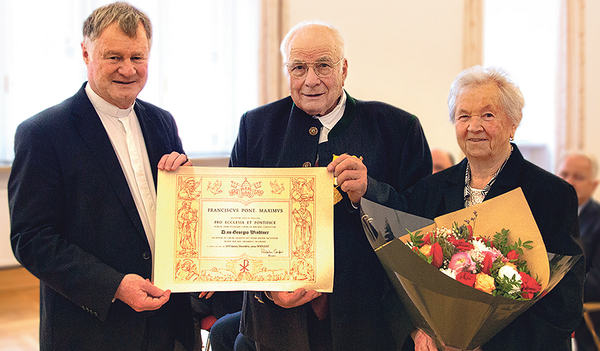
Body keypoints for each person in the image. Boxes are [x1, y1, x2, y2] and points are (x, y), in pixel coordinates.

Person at [228, 21, 432, 351]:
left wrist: (371, 192)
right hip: (278, 325)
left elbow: (422, 227)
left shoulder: (398, 129)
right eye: (299, 67)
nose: (311, 80)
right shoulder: (256, 126)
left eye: (323, 65)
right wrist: (267, 288)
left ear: (344, 69)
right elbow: (237, 224)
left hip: (368, 322)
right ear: (287, 71)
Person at [8, 3, 195, 350]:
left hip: (170, 322)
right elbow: (30, 238)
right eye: (113, 57)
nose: (128, 69)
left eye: (137, 57)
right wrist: (114, 286)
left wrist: (190, 190)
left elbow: (179, 215)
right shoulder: (43, 133)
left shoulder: (162, 122)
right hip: (93, 329)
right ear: (85, 53)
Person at [404, 66, 585, 350]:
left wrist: (485, 344)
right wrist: (419, 330)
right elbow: (404, 277)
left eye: (488, 115)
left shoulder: (551, 194)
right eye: (464, 116)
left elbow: (565, 301)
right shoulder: (429, 190)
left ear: (514, 122)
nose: (474, 126)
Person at [557, 151, 600, 351]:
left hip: (587, 321)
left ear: (594, 185)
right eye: (564, 174)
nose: (569, 181)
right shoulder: (548, 215)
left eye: (578, 177)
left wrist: (556, 292)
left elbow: (596, 279)